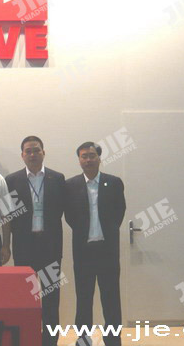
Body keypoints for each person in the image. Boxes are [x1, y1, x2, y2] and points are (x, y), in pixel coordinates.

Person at [5, 136, 66, 346]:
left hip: (50, 246)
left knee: (51, 298)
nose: (32, 154)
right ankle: (27, 339)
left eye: (36, 150)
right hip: (24, 247)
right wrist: (6, 245)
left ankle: (50, 341)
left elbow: (63, 210)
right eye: (28, 151)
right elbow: (8, 215)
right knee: (25, 298)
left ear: (43, 152)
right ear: (22, 155)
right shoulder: (12, 180)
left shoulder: (57, 178)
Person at [65, 142, 126, 346]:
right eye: (84, 156)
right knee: (83, 299)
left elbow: (119, 212)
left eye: (92, 155)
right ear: (79, 160)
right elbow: (70, 217)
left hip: (107, 250)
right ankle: (83, 340)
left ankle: (113, 340)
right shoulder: (70, 185)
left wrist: (108, 231)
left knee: (111, 298)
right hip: (83, 251)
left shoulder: (113, 182)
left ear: (99, 158)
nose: (88, 160)